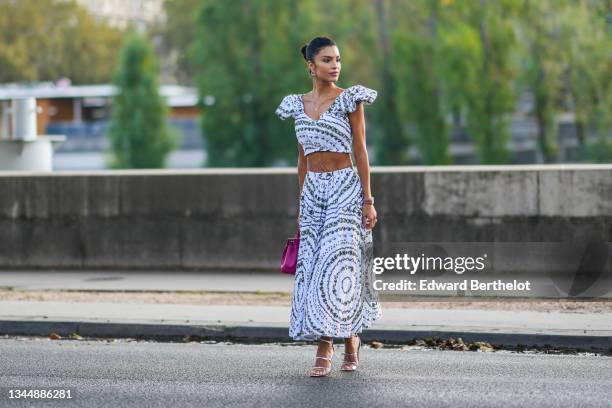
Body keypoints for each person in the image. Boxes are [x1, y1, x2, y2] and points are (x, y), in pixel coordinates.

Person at [275, 36, 382, 377]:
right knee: (316, 268)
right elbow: (300, 160)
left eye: (337, 59)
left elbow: (361, 152)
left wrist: (368, 199)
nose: (335, 65)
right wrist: (302, 203)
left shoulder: (350, 99)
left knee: (339, 267)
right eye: (326, 60)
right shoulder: (296, 104)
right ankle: (348, 336)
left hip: (345, 190)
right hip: (314, 196)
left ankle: (332, 343)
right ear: (310, 65)